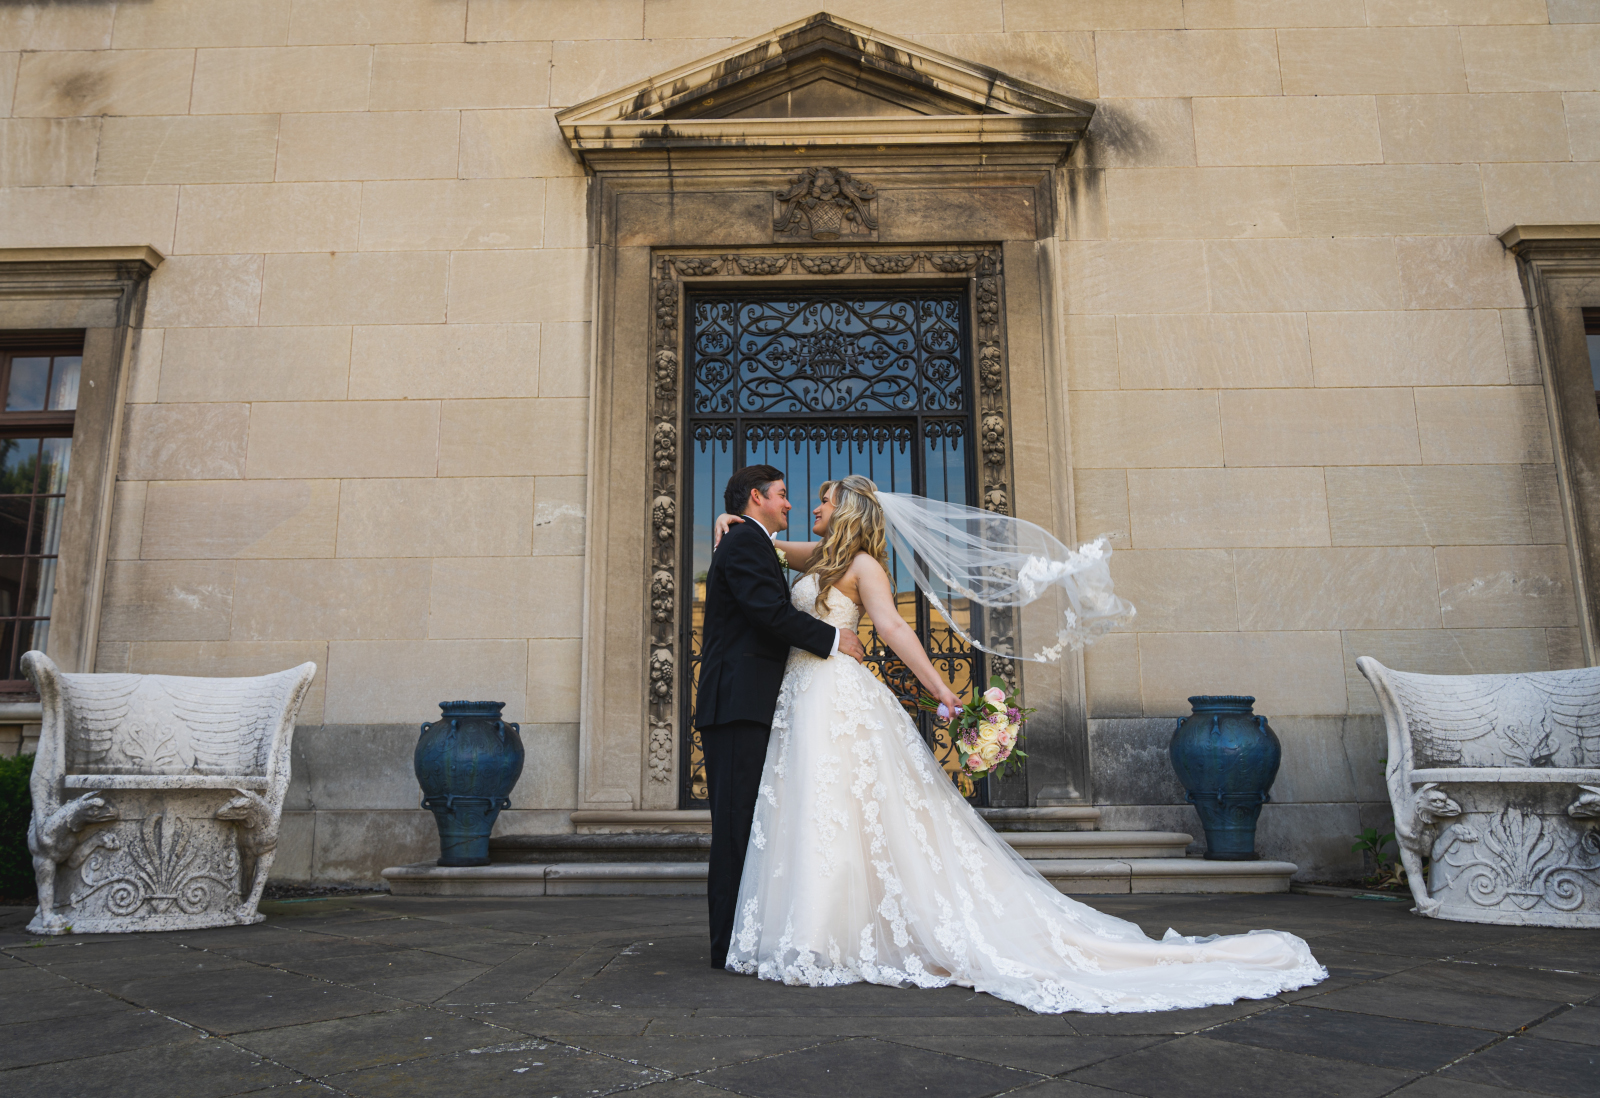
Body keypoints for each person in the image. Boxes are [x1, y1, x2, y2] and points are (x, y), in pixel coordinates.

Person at [709, 475, 1326, 1013]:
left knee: (850, 807)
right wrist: (729, 520)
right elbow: (763, 544)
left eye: (823, 503)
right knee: (818, 811)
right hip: (802, 697)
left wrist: (945, 692)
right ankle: (820, 927)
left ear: (846, 514)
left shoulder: (864, 567)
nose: (812, 508)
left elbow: (894, 629)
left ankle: (834, 931)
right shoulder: (816, 559)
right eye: (804, 501)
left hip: (837, 695)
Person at [693, 464, 867, 970]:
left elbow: (804, 570)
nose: (791, 504)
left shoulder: (751, 539)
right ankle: (726, 945)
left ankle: (743, 937)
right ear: (757, 496)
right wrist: (835, 639)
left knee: (751, 826)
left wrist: (729, 518)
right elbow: (769, 612)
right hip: (737, 706)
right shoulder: (746, 543)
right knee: (733, 827)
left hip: (750, 705)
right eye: (783, 494)